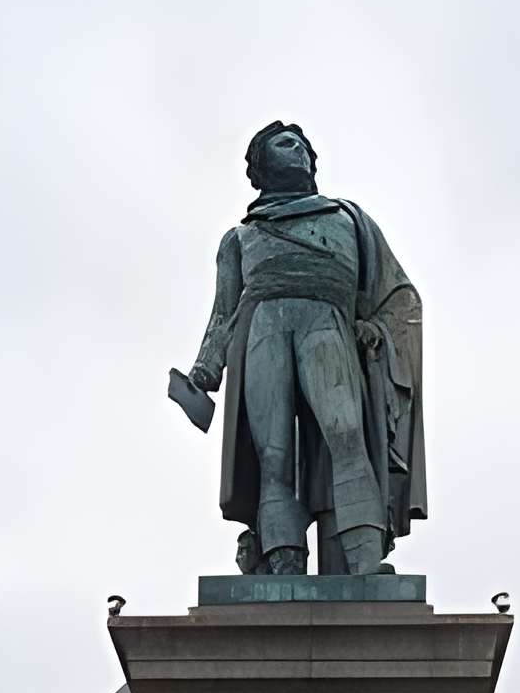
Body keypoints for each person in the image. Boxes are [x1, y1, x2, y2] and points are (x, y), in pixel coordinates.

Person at [178, 121, 426, 576]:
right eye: (285, 145)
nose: (300, 153)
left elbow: (397, 295)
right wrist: (203, 375)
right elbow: (223, 314)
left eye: (303, 147)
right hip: (264, 333)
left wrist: (373, 327)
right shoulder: (240, 238)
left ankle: (364, 557)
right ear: (260, 166)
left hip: (325, 326)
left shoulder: (347, 219)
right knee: (273, 457)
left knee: (346, 434)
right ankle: (283, 557)